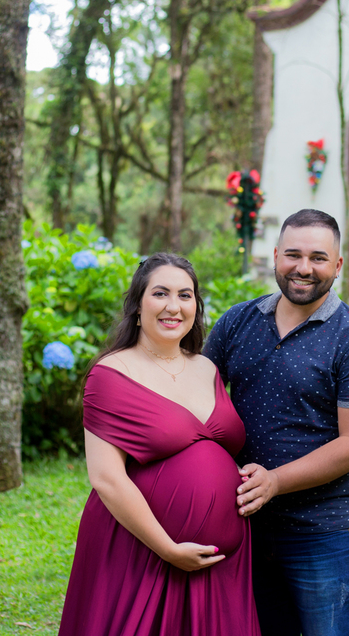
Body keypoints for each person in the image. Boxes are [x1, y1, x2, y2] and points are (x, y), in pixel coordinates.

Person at [203, 209, 349, 636]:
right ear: (275, 256)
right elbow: (198, 398)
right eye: (293, 254)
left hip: (324, 530)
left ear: (337, 265)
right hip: (244, 524)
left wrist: (274, 482)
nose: (304, 268)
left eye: (319, 258)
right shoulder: (237, 322)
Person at [57, 253, 261, 636]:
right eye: (160, 293)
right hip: (143, 552)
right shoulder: (112, 373)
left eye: (185, 296)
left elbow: (213, 448)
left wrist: (243, 475)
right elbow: (106, 478)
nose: (173, 306)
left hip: (223, 563)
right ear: (137, 306)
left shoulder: (207, 368)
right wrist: (167, 548)